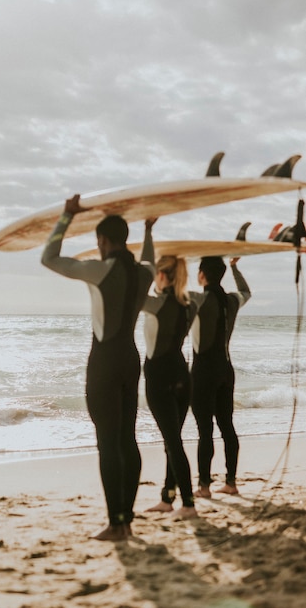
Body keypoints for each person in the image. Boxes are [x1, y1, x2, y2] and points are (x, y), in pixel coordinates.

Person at [41, 194, 154, 541]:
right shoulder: (144, 274)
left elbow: (49, 258)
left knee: (107, 443)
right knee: (127, 440)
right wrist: (149, 231)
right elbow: (149, 259)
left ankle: (116, 523)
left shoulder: (98, 268)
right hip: (130, 360)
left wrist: (66, 216)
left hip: (104, 362)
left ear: (102, 241)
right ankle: (127, 520)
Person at [140, 220, 198, 520]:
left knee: (173, 442)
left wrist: (148, 233)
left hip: (159, 377)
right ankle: (168, 498)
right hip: (181, 374)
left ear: (161, 275)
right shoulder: (190, 305)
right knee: (171, 440)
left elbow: (141, 273)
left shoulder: (155, 304)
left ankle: (188, 504)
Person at [189, 256, 251, 498]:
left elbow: (168, 294)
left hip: (204, 371)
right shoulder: (232, 300)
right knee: (227, 426)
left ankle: (204, 486)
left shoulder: (199, 298)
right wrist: (235, 267)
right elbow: (246, 291)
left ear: (202, 274)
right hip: (226, 369)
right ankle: (231, 482)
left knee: (205, 429)